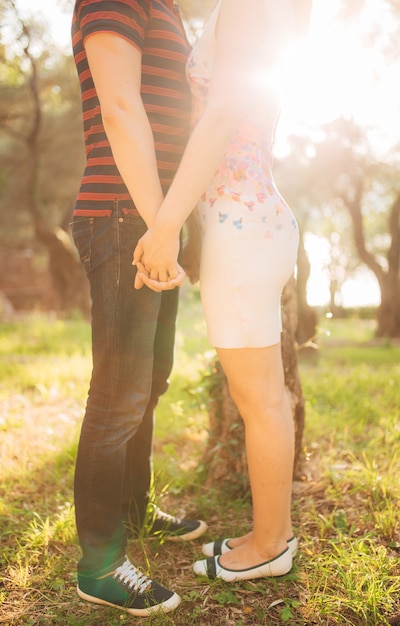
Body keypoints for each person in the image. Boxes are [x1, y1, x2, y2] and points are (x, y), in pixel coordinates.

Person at [133, 0, 312, 583]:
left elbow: (220, 116)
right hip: (245, 220)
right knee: (257, 394)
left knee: (259, 397)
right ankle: (270, 533)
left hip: (243, 224)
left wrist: (165, 228)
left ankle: (270, 544)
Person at [70, 0, 207, 617]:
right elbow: (121, 108)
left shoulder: (169, 8)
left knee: (149, 383)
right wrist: (161, 224)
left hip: (154, 221)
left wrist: (176, 224)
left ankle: (134, 510)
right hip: (127, 218)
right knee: (118, 394)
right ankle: (99, 564)